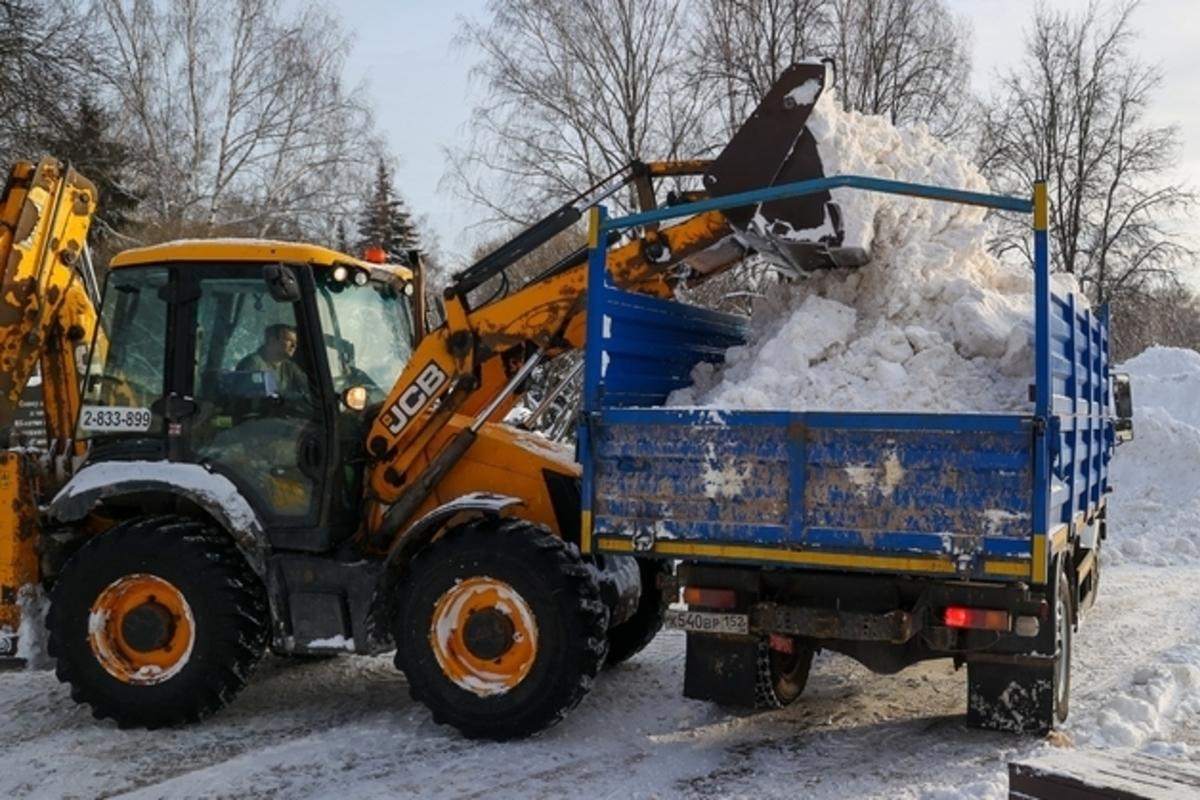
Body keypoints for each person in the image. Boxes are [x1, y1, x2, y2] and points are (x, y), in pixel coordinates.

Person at [237, 323, 309, 397]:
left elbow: (308, 389)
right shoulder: (253, 363)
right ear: (272, 340)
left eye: (295, 342)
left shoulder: (290, 367)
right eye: (289, 340)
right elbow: (245, 397)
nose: (294, 346)